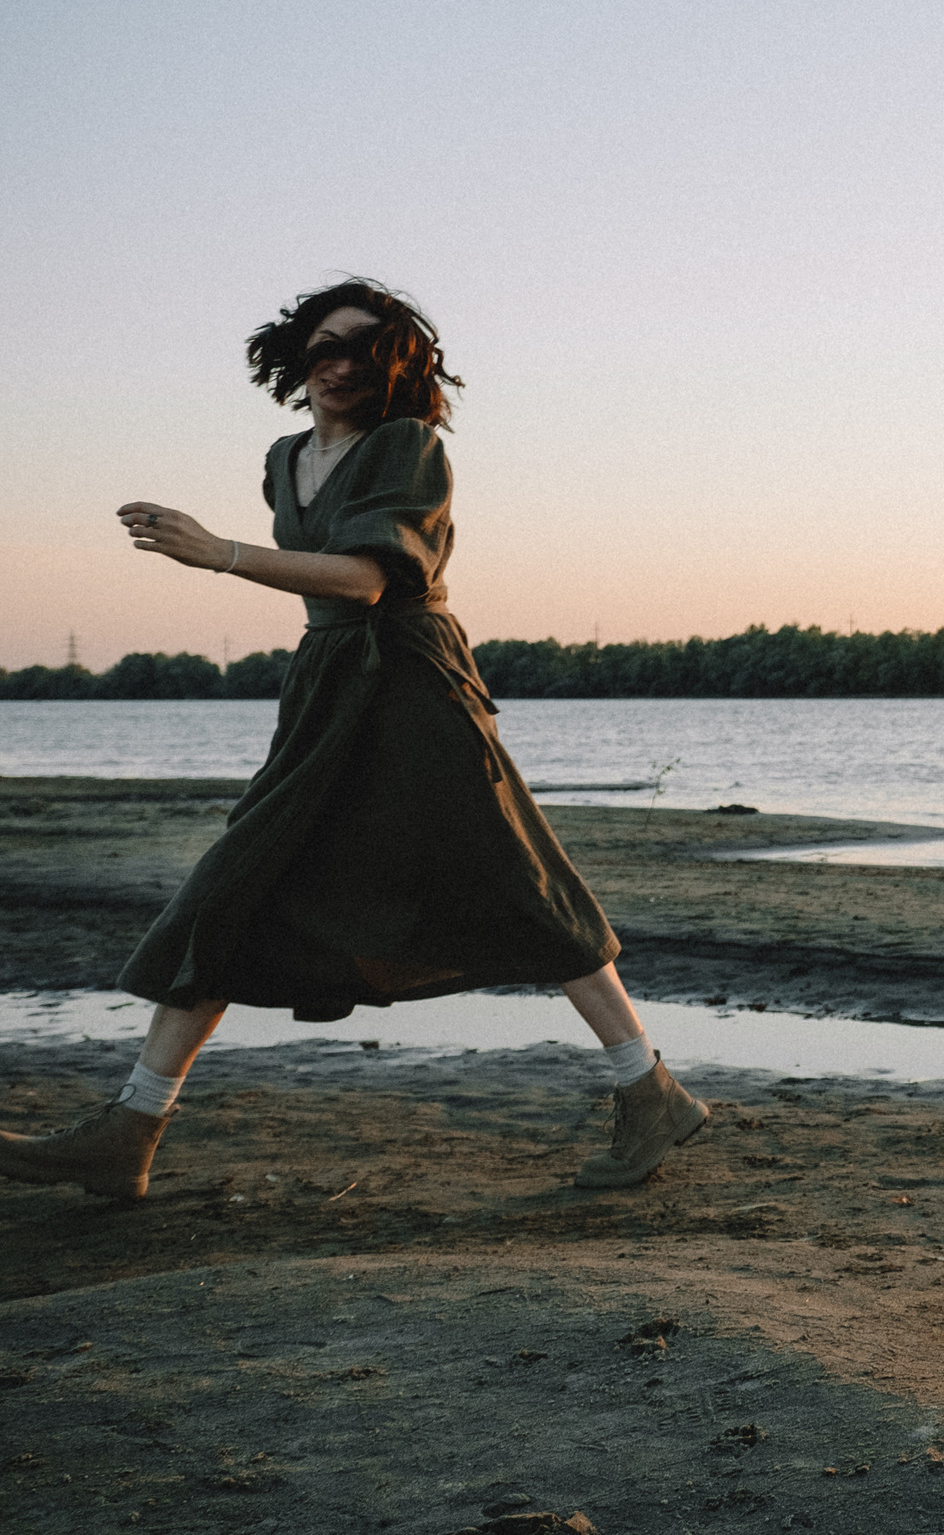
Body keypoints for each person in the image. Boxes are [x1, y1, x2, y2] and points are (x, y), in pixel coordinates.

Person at [0, 280, 706, 1203]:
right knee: (232, 887)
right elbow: (322, 591)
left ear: (396, 370)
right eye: (325, 347)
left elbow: (368, 579)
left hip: (413, 683)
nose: (338, 366)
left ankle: (648, 1089)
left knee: (518, 883)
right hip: (326, 684)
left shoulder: (408, 448)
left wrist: (220, 553)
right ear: (300, 355)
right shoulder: (283, 455)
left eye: (363, 353)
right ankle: (128, 1130)